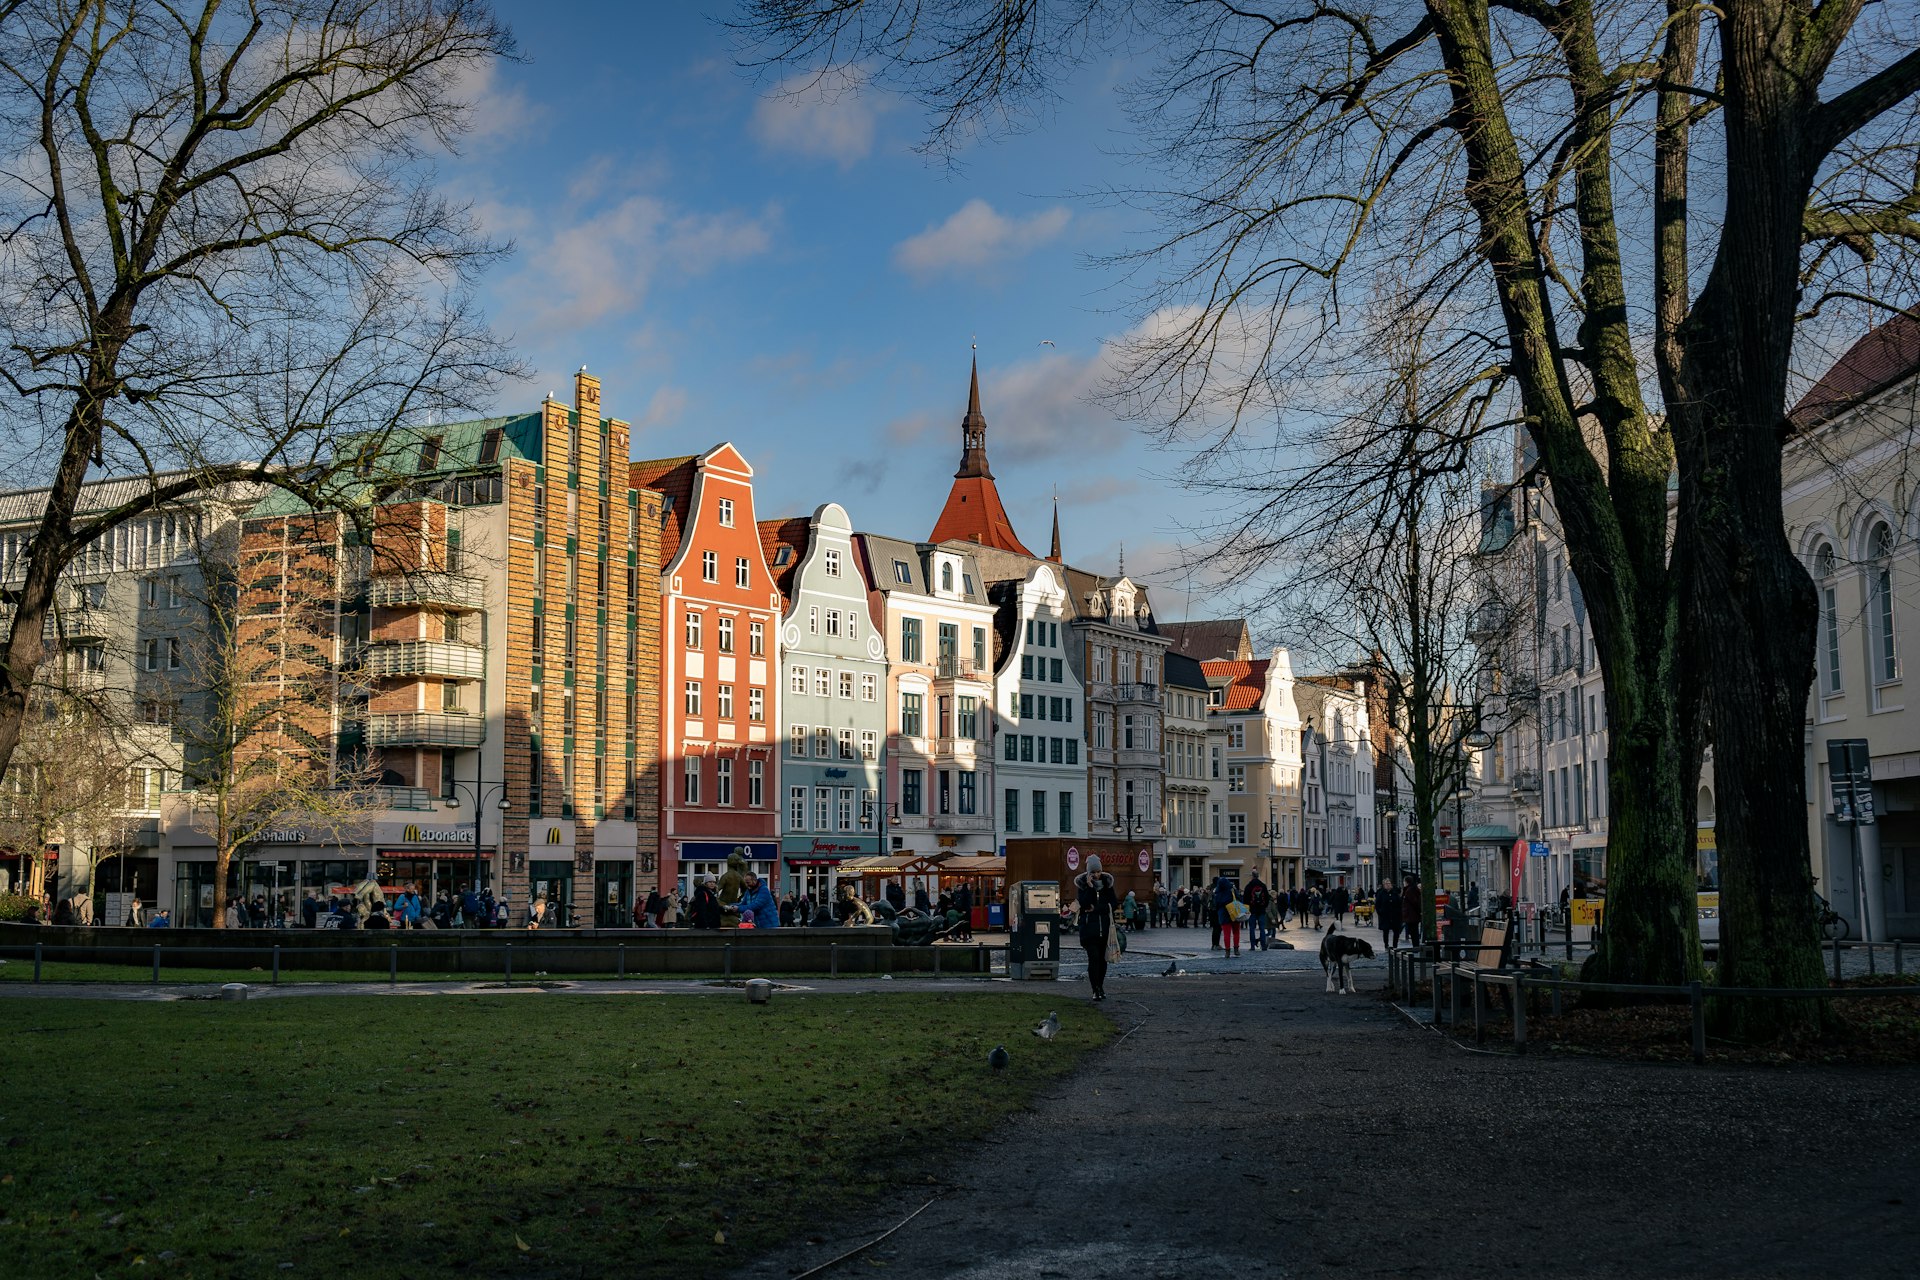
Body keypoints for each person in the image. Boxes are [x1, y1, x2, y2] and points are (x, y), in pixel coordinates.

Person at [1075, 854, 1120, 1001]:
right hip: (1089, 931)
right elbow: (1084, 904)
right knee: (1093, 959)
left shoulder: (1107, 885)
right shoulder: (1083, 886)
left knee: (1103, 961)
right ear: (1088, 873)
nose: (1096, 875)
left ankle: (1100, 986)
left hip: (1105, 930)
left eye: (1098, 872)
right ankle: (1095, 989)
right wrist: (1090, 888)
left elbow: (1113, 904)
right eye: (1093, 872)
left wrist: (1097, 908)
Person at [1211, 874, 1242, 957]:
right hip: (1234, 912)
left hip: (1223, 914)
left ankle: (1227, 951)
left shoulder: (1217, 893)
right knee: (1236, 932)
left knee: (1226, 934)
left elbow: (1216, 904)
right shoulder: (1232, 890)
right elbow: (1239, 898)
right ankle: (1236, 949)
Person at [1244, 875, 1272, 952]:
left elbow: (1245, 899)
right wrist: (1264, 906)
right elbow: (1267, 898)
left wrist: (1247, 908)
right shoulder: (1263, 885)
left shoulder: (1248, 886)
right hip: (1261, 910)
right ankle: (1263, 946)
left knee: (1252, 929)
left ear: (1252, 877)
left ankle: (1252, 946)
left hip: (1252, 910)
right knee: (1262, 929)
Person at [1378, 880, 1403, 950]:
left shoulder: (1395, 893)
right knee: (1385, 931)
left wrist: (1399, 912)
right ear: (1384, 885)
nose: (1388, 885)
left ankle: (1395, 945)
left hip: (1395, 916)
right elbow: (1378, 904)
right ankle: (1386, 945)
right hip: (1385, 916)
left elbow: (1399, 903)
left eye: (1389, 883)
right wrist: (1380, 912)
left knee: (1396, 931)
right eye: (1386, 883)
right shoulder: (1381, 894)